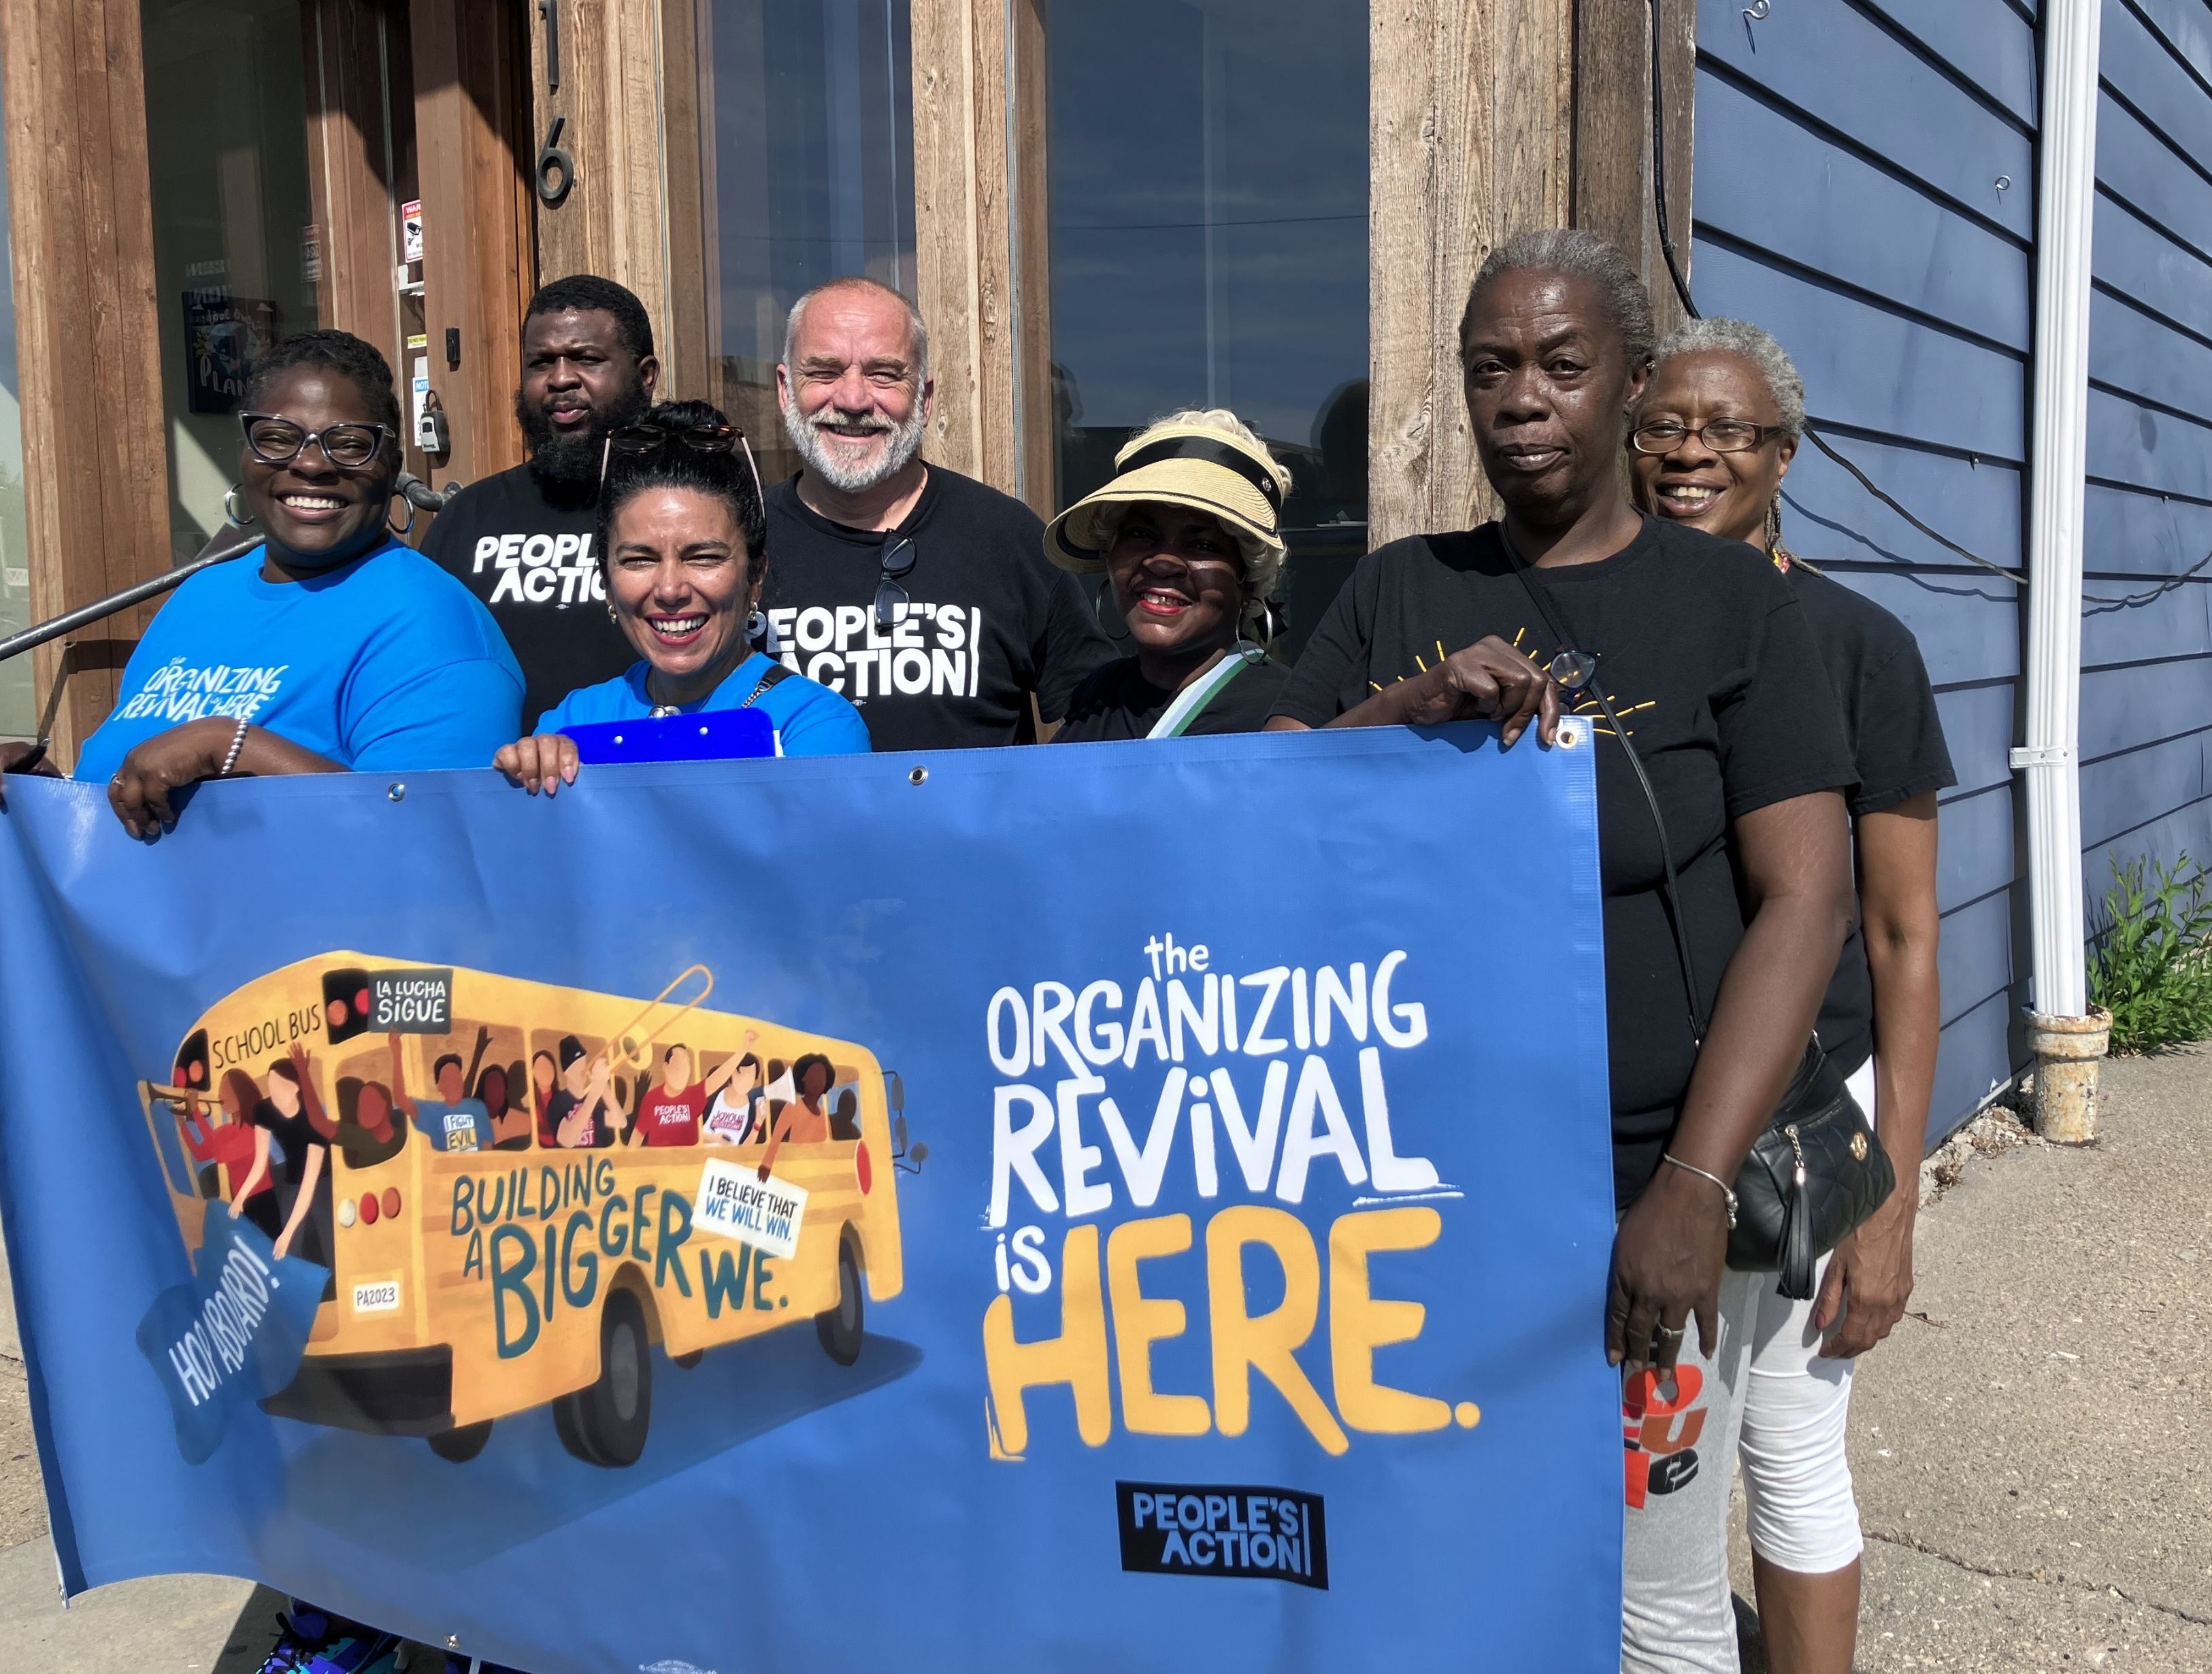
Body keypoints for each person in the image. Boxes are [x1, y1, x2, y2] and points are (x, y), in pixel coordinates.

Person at [1268, 229, 1857, 1674]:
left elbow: (1807, 900)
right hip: (1420, 1196)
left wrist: (1691, 1190)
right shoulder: (1397, 590)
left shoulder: (1730, 603)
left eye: (1560, 364)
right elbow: (1255, 807)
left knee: (1648, 1593)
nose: (1521, 397)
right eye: (1491, 368)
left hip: (1644, 1194)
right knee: (1450, 1558)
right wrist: (1401, 711)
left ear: (1632, 384)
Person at [1630, 316, 1953, 1674]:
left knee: (1790, 1437)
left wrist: (1891, 1198)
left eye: (1727, 430)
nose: (1688, 453)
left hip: (1814, 1107)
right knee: (1663, 1460)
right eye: (1662, 426)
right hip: (1655, 1105)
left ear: (1783, 453)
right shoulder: (1604, 619)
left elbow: (1900, 931)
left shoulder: (1857, 643)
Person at [67, 330, 521, 832]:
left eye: (349, 444)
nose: (310, 464)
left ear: (392, 467)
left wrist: (232, 746)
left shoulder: (433, 626)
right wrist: (31, 796)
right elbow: (121, 784)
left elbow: (427, 838)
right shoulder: (201, 595)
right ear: (245, 452)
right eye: (278, 438)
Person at [759, 275, 1114, 749]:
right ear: (786, 390)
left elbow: (1107, 728)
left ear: (924, 401)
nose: (852, 400)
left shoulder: (1005, 538)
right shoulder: (737, 546)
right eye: (824, 372)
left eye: (883, 374)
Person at [494, 401, 870, 793]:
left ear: (756, 575)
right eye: (639, 560)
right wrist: (525, 784)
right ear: (606, 581)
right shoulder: (573, 723)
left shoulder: (813, 726)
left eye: (703, 557)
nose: (670, 589)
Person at [420, 274, 659, 724]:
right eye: (540, 362)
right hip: (498, 767)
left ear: (645, 376)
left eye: (587, 359)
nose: (561, 378)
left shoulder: (685, 513)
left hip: (647, 762)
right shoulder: (467, 518)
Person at [1044, 409, 1295, 740]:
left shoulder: (1284, 717)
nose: (1163, 563)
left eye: (1203, 545)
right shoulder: (1095, 699)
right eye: (1140, 534)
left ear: (1248, 578)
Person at [252, 1045, 335, 1264]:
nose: (274, 1092)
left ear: (295, 1088)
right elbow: (263, 1160)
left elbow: (309, 1183)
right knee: (292, 1250)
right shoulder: (267, 1112)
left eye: (280, 1085)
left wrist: (286, 1234)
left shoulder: (313, 1119)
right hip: (291, 1182)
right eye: (271, 1086)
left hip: (321, 1181)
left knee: (330, 1242)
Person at [181, 1071, 281, 1241]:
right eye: (221, 1090)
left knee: (272, 1247)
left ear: (242, 1094)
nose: (221, 1095)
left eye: (227, 1090)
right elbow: (201, 1154)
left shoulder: (253, 1130)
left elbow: (221, 1155)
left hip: (264, 1199)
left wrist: (196, 1112)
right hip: (243, 1202)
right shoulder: (227, 1131)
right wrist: (182, 1126)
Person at [392, 1025, 495, 1153]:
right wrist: (396, 1051)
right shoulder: (431, 1111)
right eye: (448, 1080)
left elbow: (488, 1147)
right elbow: (401, 1100)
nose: (454, 1084)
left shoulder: (478, 1108)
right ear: (439, 1087)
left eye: (457, 1078)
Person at [629, 1042, 752, 1147]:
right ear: (665, 1067)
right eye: (678, 1064)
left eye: (686, 1065)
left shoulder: (693, 1095)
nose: (682, 1071)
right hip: (662, 1164)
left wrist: (744, 1048)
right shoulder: (652, 1099)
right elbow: (636, 1139)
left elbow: (720, 1076)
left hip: (690, 1162)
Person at [757, 1053, 837, 1180]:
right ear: (803, 1078)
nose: (819, 1079)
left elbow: (829, 1149)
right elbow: (776, 1139)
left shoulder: (824, 1114)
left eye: (823, 1076)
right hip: (797, 1173)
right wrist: (766, 1165)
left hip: (819, 1174)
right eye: (814, 1074)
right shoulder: (792, 1107)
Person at [542, 1035, 618, 1150]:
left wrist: (603, 1085)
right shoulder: (557, 1103)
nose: (583, 1070)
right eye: (577, 1066)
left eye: (583, 1064)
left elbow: (620, 1121)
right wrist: (594, 1094)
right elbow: (567, 1141)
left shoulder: (594, 1099)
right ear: (566, 1072)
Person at [704, 1050, 767, 1144]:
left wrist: (757, 1125)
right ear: (732, 1073)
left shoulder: (753, 1111)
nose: (746, 1081)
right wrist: (715, 1138)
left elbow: (746, 1150)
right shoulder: (711, 1096)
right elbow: (691, 1133)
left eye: (750, 1077)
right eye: (742, 1074)